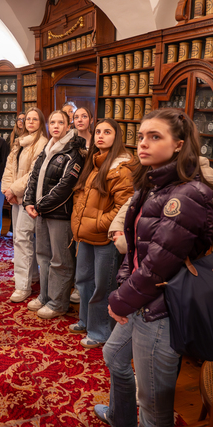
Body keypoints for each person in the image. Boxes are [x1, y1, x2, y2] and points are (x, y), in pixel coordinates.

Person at [95, 109, 213, 427]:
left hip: (162, 309)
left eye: (155, 137)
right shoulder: (152, 183)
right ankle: (121, 420)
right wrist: (123, 284)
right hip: (140, 298)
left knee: (152, 406)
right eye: (142, 136)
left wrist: (120, 298)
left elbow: (158, 265)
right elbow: (135, 250)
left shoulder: (188, 194)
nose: (143, 143)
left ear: (178, 145)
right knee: (114, 357)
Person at [69, 119, 133, 348]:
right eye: (98, 132)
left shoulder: (121, 167)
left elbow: (123, 207)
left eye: (107, 132)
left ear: (117, 137)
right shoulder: (93, 162)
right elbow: (80, 195)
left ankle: (100, 331)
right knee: (83, 281)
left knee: (102, 286)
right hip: (86, 233)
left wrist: (98, 224)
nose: (100, 136)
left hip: (104, 237)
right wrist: (80, 219)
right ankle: (86, 321)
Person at [23, 111, 86, 319]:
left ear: (69, 126)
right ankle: (45, 296)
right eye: (52, 122)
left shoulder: (73, 151)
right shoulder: (47, 147)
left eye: (61, 122)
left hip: (60, 215)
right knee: (43, 256)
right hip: (41, 212)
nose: (56, 126)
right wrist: (28, 202)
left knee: (61, 261)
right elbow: (34, 176)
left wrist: (39, 206)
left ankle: (58, 302)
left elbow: (65, 186)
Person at [1, 108, 48, 302]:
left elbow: (34, 174)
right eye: (27, 118)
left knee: (23, 239)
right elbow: (9, 166)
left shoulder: (43, 143)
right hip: (15, 197)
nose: (30, 121)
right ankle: (31, 276)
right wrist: (7, 190)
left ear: (41, 122)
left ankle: (22, 286)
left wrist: (14, 190)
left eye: (34, 119)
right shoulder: (20, 142)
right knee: (21, 240)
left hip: (29, 198)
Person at [69, 105, 94, 305]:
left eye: (84, 116)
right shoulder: (69, 140)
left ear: (90, 119)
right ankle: (71, 281)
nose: (80, 120)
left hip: (88, 192)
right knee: (68, 241)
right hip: (69, 191)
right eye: (76, 117)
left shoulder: (96, 140)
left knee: (82, 242)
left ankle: (81, 286)